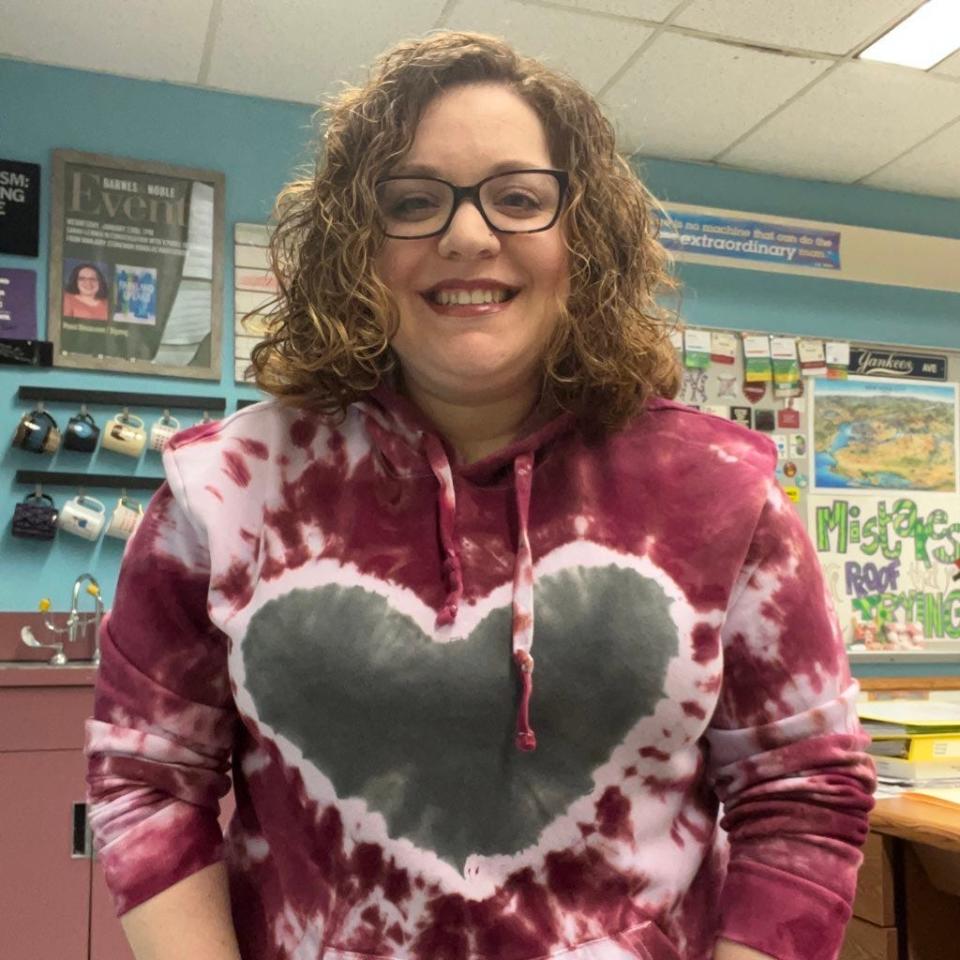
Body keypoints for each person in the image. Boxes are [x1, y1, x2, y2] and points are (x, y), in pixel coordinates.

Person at [85, 31, 876, 960]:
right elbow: (146, 776)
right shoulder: (221, 489)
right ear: (357, 244)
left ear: (585, 237)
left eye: (519, 198)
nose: (468, 235)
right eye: (414, 201)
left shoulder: (725, 496)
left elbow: (805, 797)